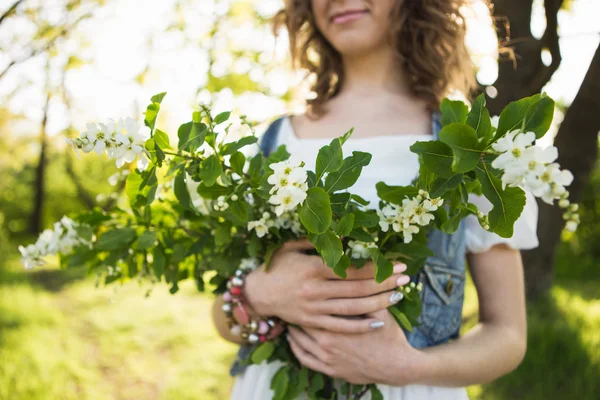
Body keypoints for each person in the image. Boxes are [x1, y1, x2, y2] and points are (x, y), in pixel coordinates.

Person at [211, 1, 539, 398]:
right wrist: (257, 292)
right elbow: (223, 319)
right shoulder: (270, 143)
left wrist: (408, 367)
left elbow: (507, 335)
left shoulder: (468, 149)